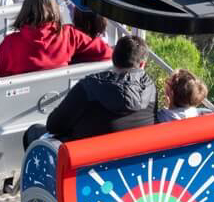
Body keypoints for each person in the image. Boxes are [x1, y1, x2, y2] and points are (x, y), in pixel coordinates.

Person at [22, 35, 156, 149]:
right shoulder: (151, 89)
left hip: (82, 164)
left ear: (113, 58)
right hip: (130, 160)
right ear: (143, 64)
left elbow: (54, 126)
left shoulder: (89, 87)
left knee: (33, 132)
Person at [0, 0, 112, 77]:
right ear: (54, 7)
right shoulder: (69, 35)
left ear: (25, 9)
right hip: (62, 103)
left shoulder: (10, 43)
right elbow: (107, 53)